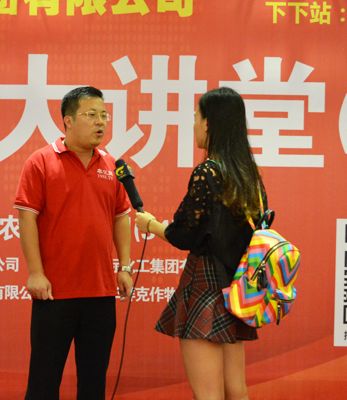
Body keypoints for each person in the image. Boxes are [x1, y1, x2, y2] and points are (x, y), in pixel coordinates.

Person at [135, 87, 266, 400]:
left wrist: (151, 225)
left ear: (208, 123)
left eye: (196, 116)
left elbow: (185, 234)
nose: (193, 124)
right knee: (236, 390)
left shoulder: (208, 171)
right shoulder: (248, 174)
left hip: (206, 284)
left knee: (207, 393)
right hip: (237, 288)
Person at [14, 86, 134, 400]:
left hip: (100, 292)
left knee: (93, 385)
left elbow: (122, 217)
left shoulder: (112, 165)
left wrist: (124, 266)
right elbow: (27, 218)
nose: (101, 122)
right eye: (91, 114)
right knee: (43, 383)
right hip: (54, 291)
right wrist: (35, 273)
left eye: (104, 115)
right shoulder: (41, 161)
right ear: (68, 120)